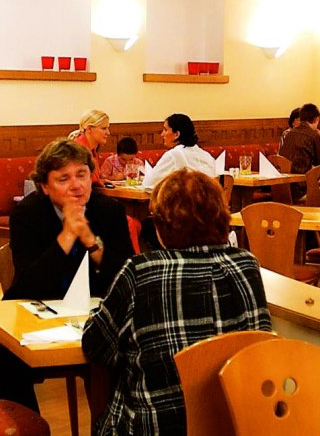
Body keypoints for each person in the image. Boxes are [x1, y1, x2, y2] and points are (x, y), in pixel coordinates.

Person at [83, 169, 271, 435]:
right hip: (234, 424)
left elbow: (95, 344)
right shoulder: (247, 265)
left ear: (161, 227)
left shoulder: (142, 271)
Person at [0, 138, 133, 411]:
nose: (76, 185)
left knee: (132, 355)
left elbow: (128, 275)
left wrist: (92, 243)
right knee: (2, 362)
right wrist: (67, 236)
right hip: (38, 310)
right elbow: (30, 281)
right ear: (44, 185)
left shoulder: (109, 210)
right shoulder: (27, 213)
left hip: (99, 312)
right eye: (63, 178)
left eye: (82, 175)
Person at [141, 114, 215, 188]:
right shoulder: (206, 155)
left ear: (176, 134)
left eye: (165, 130)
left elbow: (149, 183)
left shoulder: (174, 155)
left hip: (186, 199)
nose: (162, 134)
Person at [278, 103, 320, 177]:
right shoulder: (315, 136)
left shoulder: (289, 134)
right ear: (316, 119)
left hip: (285, 181)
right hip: (303, 182)